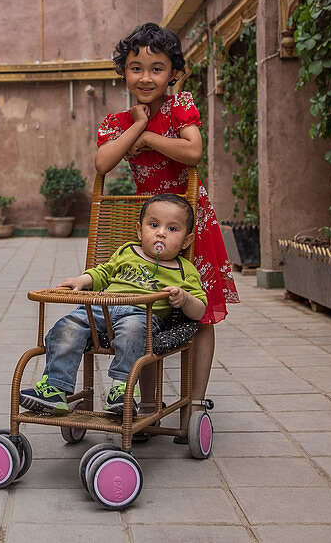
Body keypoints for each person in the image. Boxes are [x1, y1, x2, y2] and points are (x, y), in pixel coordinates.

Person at [94, 22, 240, 413]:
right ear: (123, 71)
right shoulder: (116, 123)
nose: (146, 77)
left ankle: (194, 403)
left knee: (201, 311)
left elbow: (193, 152)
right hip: (149, 225)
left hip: (192, 223)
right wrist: (138, 124)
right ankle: (147, 404)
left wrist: (150, 138)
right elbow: (103, 162)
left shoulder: (180, 107)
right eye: (135, 67)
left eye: (157, 68)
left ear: (174, 73)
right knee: (144, 310)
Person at [19, 193, 207, 417]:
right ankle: (56, 388)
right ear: (140, 231)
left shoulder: (184, 270)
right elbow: (103, 273)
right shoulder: (128, 251)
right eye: (154, 225)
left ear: (186, 240)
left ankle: (122, 389)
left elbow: (200, 310)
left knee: (133, 333)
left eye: (172, 229)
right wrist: (82, 280)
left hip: (140, 315)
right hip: (101, 308)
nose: (161, 233)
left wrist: (185, 299)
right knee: (67, 326)